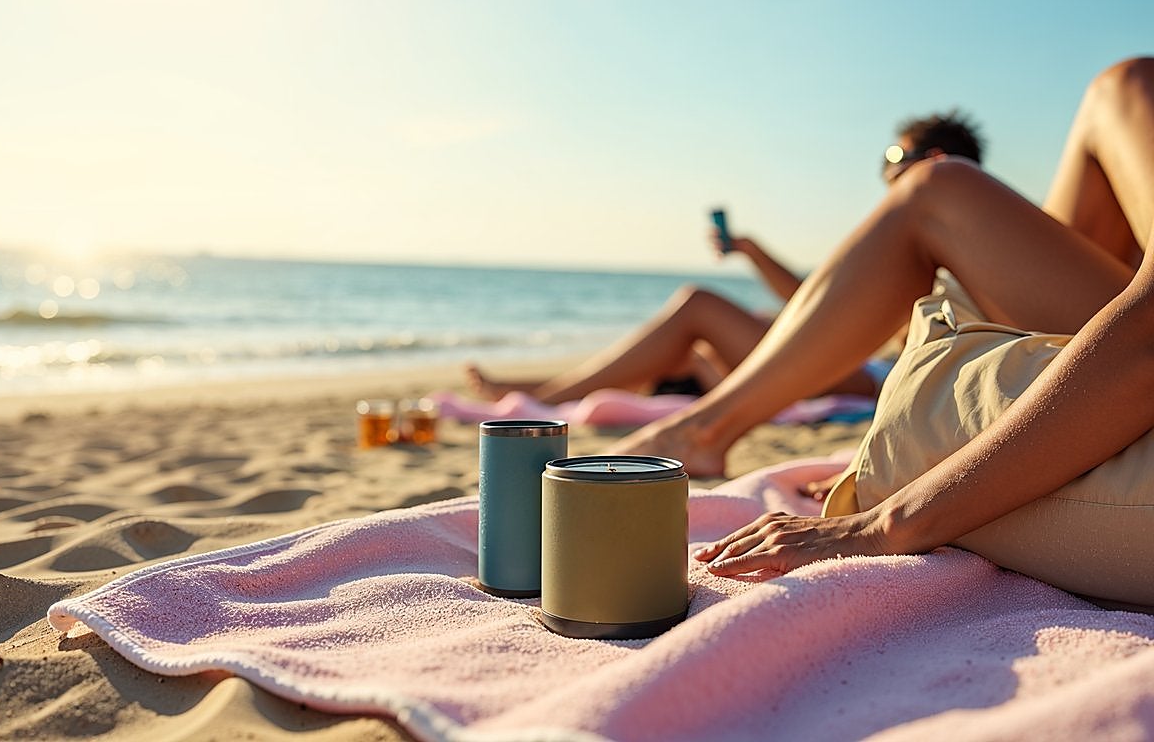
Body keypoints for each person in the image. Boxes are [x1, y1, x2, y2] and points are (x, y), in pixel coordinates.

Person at [610, 56, 1154, 605]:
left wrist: (885, 524)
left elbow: (1141, 347)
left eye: (894, 159)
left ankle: (701, 430)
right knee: (1114, 89)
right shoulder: (1001, 241)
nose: (887, 174)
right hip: (1022, 358)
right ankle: (688, 426)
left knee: (1109, 94)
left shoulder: (969, 244)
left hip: (881, 376)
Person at [466, 111, 985, 416]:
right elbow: (829, 303)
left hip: (870, 379)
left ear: (934, 161)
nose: (885, 172)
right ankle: (540, 393)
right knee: (696, 342)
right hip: (866, 372)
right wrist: (751, 251)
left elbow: (826, 305)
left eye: (894, 158)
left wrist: (752, 253)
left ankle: (546, 403)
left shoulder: (940, 236)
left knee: (698, 306)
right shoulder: (956, 239)